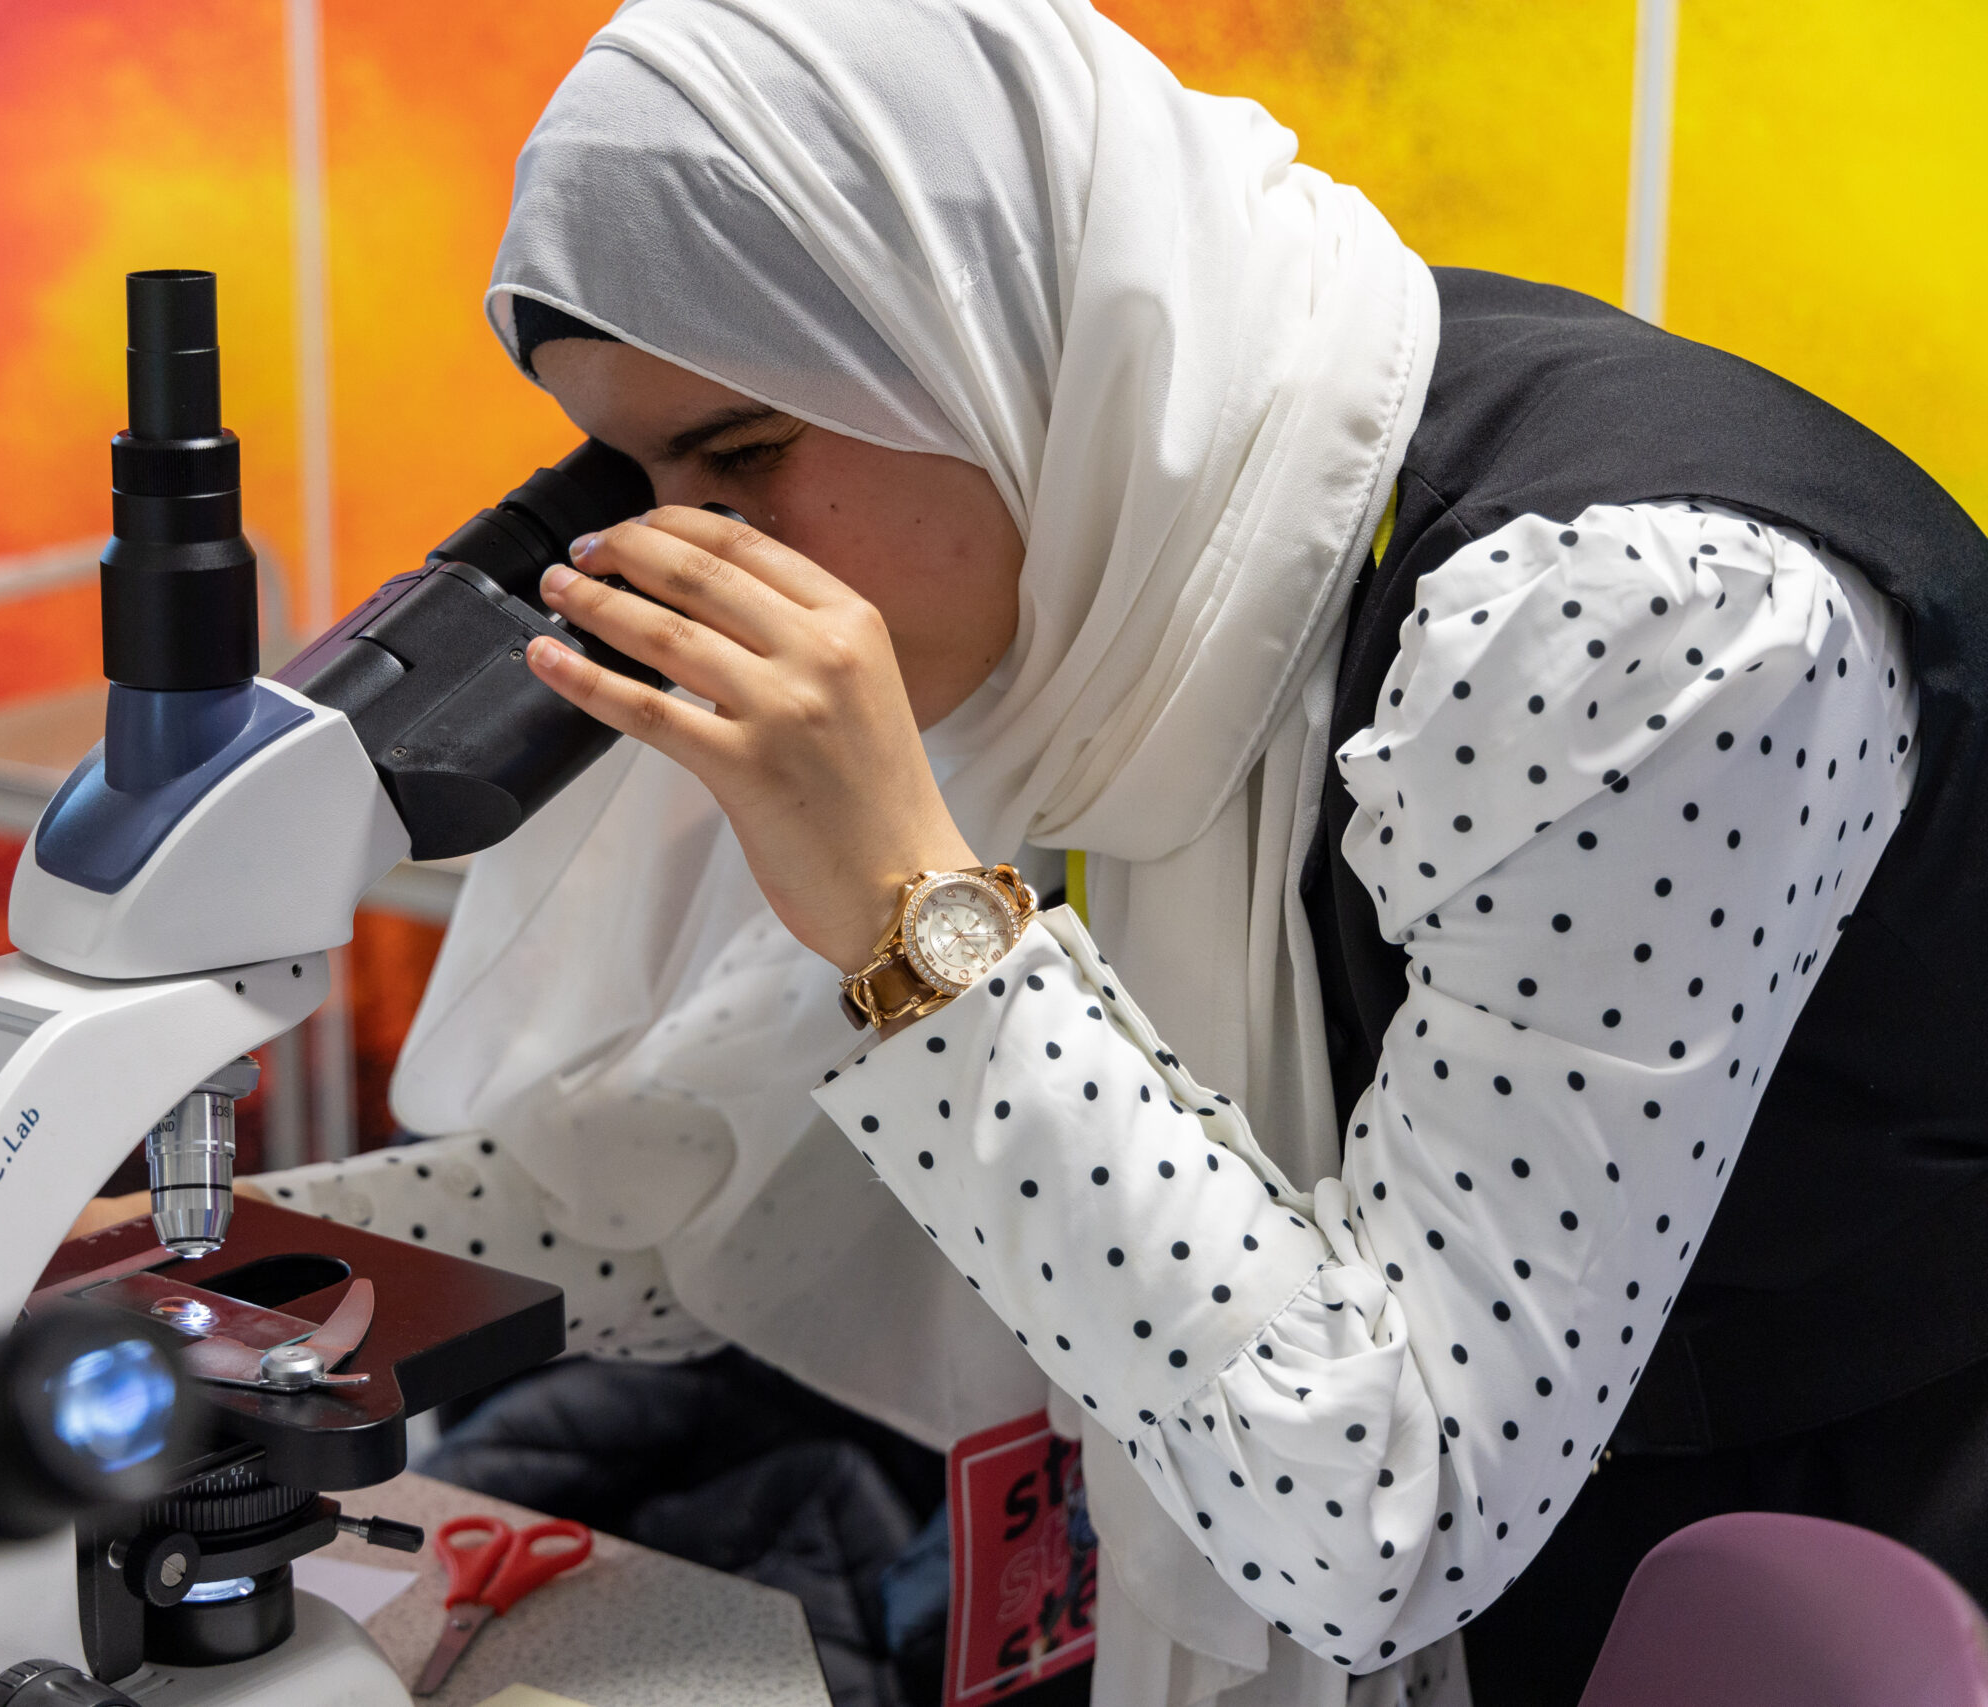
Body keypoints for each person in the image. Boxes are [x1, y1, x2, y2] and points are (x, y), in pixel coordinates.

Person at [223, 2, 1988, 1702]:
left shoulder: (1632, 632)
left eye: (740, 453)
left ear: (980, 336)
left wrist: (907, 916)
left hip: (1762, 1580)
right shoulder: (1110, 559)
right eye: (632, 483)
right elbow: (707, 1191)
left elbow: (1381, 1512)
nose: (693, 557)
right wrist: (185, 1265)